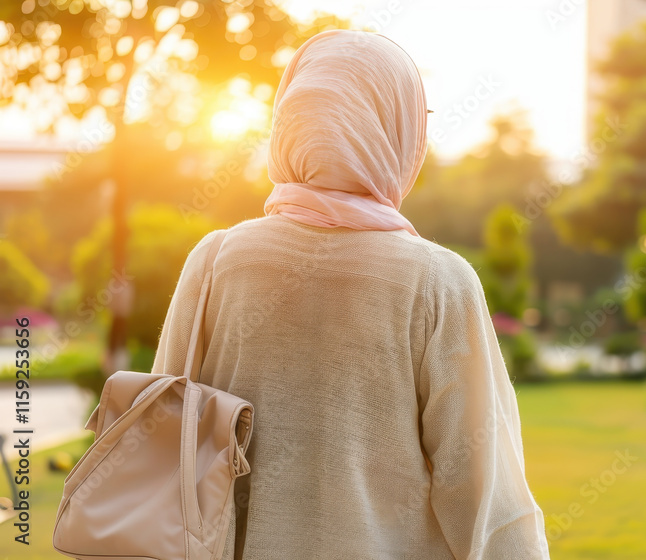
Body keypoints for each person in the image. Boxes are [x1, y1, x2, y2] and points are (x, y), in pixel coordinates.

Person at [152, 30, 549, 559]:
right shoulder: (438, 281)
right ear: (397, 131)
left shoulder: (216, 261)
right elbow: (485, 496)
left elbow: (156, 445)